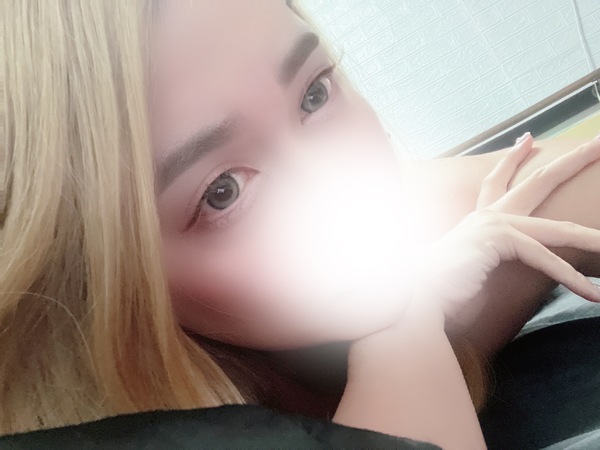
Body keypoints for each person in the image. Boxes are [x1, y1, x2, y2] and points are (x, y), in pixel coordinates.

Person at [3, 1, 600, 448]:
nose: (336, 185)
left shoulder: (405, 212)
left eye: (314, 94)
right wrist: (405, 328)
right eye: (222, 191)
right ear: (98, 289)